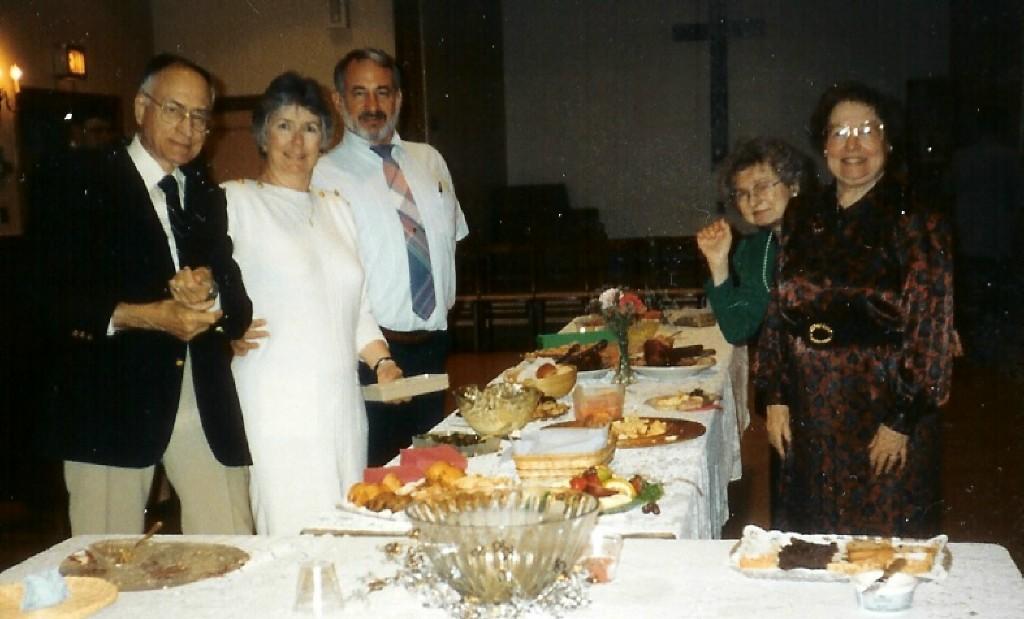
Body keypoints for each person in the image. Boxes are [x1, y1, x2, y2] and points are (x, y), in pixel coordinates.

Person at [33, 54, 255, 535]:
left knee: (232, 551)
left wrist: (210, 290)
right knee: (107, 568)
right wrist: (149, 315)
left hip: (203, 398)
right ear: (141, 108)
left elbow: (238, 306)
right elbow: (48, 298)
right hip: (111, 402)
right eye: (174, 110)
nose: (189, 128)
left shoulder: (204, 194)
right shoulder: (80, 181)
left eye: (200, 117)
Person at [755, 82, 956, 536]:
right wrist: (776, 395)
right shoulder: (803, 212)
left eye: (866, 129)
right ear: (822, 143)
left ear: (888, 140)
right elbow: (779, 309)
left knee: (881, 537)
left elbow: (932, 326)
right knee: (811, 529)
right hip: (808, 401)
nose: (852, 144)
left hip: (882, 400)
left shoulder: (917, 217)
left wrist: (902, 420)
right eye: (838, 131)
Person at [224, 72, 403, 535]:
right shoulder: (237, 202)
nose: (297, 140)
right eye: (284, 125)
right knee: (290, 528)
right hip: (277, 403)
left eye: (309, 127)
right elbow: (199, 289)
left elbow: (356, 306)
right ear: (263, 133)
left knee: (348, 519)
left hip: (341, 404)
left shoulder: (336, 208)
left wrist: (381, 361)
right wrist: (222, 332)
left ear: (325, 137)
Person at [312, 48, 469, 466]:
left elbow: (450, 242)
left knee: (432, 469)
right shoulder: (323, 174)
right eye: (359, 93)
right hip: (371, 353)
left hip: (433, 345)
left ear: (399, 99)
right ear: (340, 100)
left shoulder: (430, 160)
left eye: (383, 92)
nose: (373, 106)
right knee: (380, 476)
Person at [697, 137, 814, 344]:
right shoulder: (756, 249)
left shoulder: (824, 238)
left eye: (762, 186)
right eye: (742, 194)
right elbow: (737, 330)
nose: (753, 200)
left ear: (793, 185)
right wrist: (718, 264)